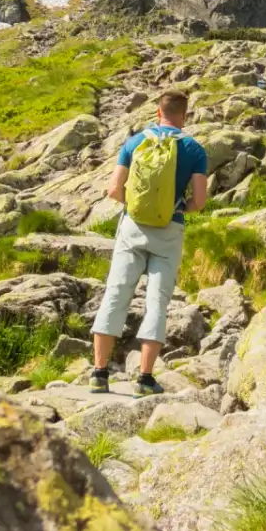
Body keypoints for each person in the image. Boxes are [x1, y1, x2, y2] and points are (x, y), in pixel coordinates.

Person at [90, 90, 208, 396]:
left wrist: (137, 207)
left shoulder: (134, 142)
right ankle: (144, 379)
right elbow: (199, 201)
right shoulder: (195, 149)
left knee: (116, 293)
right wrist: (175, 209)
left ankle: (99, 374)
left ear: (158, 112)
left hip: (132, 227)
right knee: (157, 302)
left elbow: (114, 190)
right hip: (169, 230)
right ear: (184, 115)